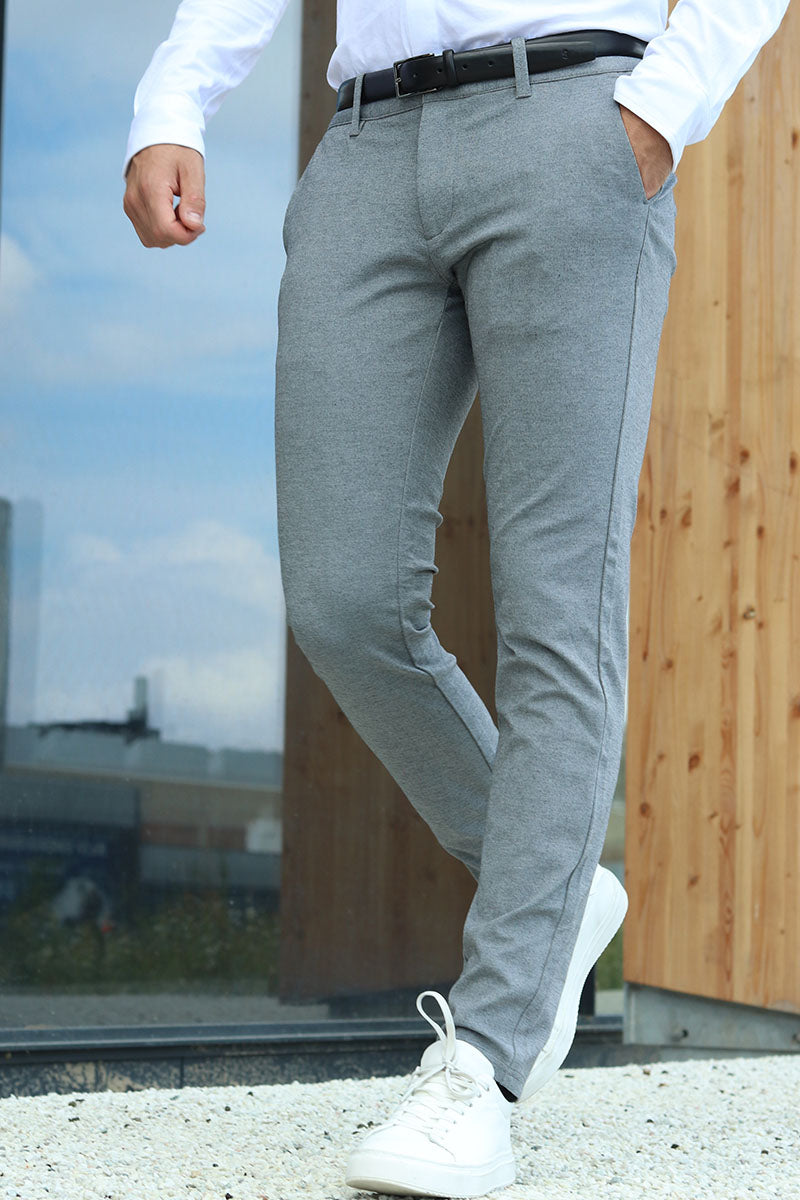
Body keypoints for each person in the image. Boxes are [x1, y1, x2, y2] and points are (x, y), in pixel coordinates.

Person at [123, 3, 790, 1196]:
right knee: (343, 601)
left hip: (575, 117)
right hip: (365, 146)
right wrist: (174, 100)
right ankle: (557, 893)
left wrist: (663, 105)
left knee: (555, 609)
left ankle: (480, 1063)